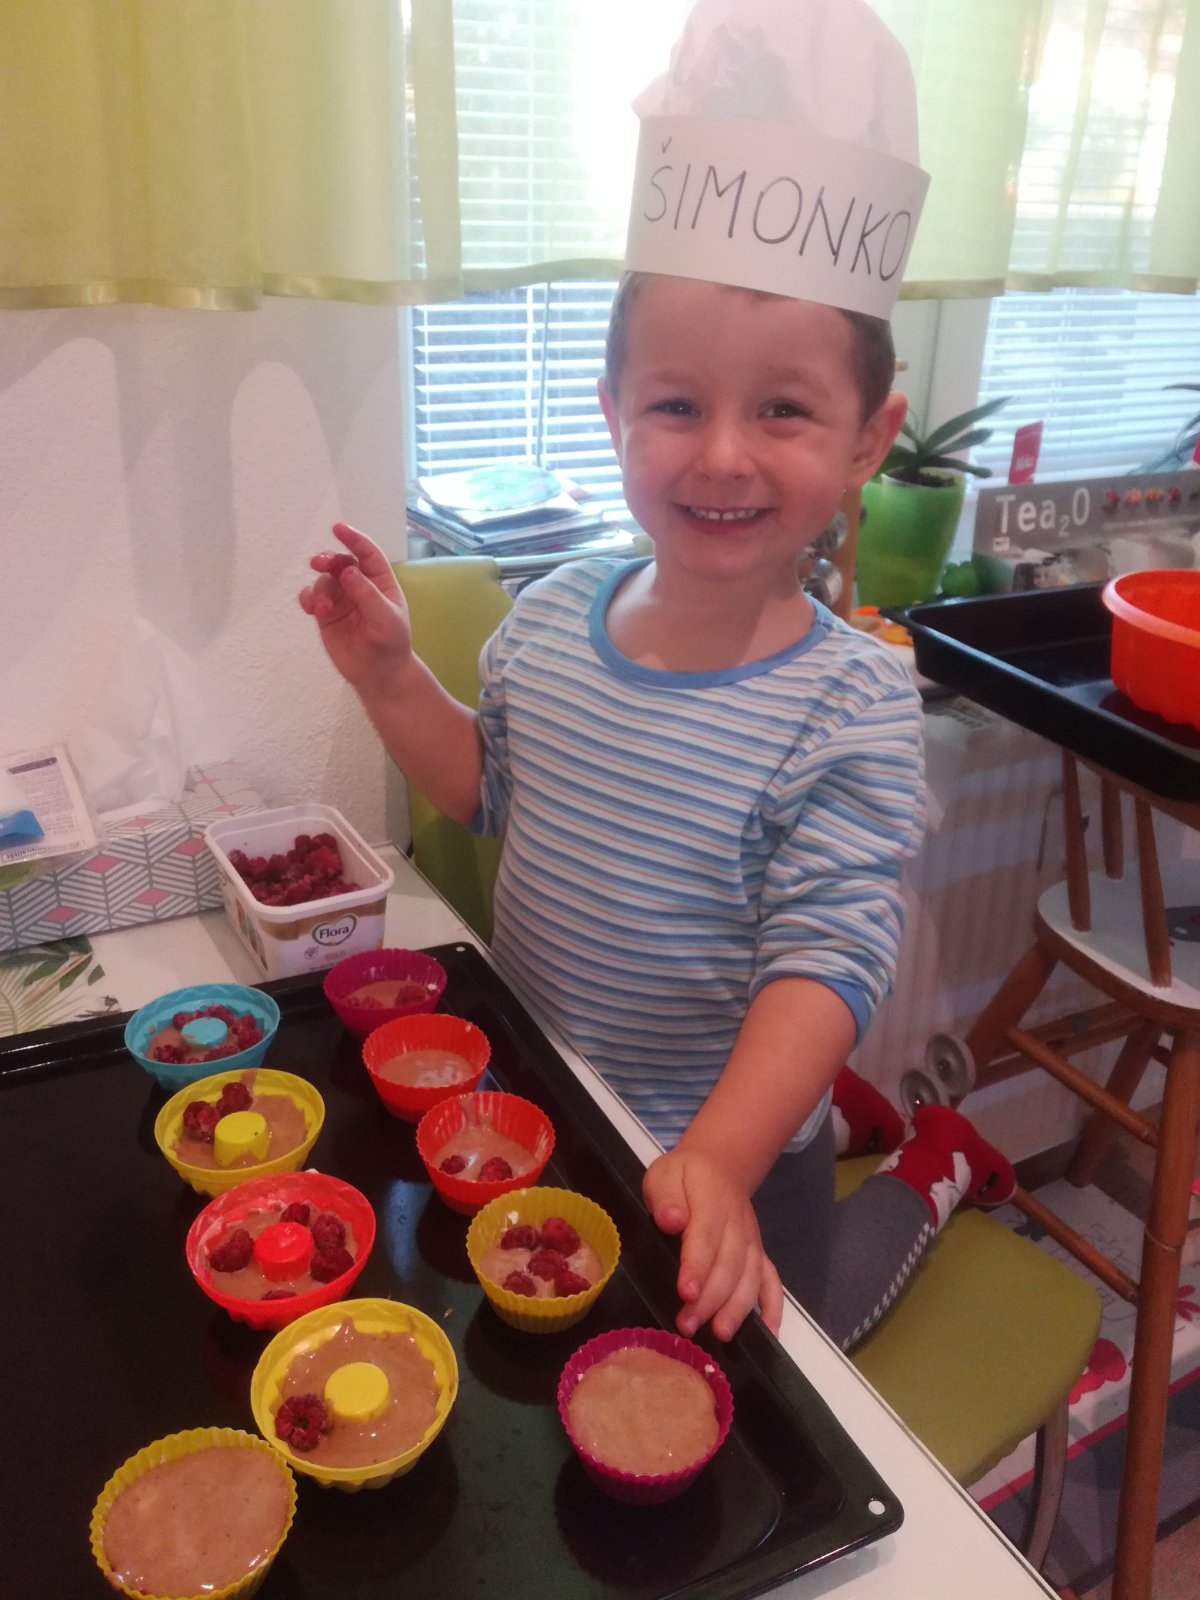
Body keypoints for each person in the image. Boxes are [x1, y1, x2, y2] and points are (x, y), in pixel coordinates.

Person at [298, 268, 1017, 1351]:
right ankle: (836, 1110)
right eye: (677, 403)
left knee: (802, 1342)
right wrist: (391, 677)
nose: (722, 454)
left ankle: (927, 1162)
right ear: (614, 414)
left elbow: (826, 955)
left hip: (727, 1155)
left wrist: (723, 1158)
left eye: (783, 407)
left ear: (868, 437)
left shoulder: (852, 700)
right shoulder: (550, 613)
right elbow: (489, 787)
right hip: (549, 1104)